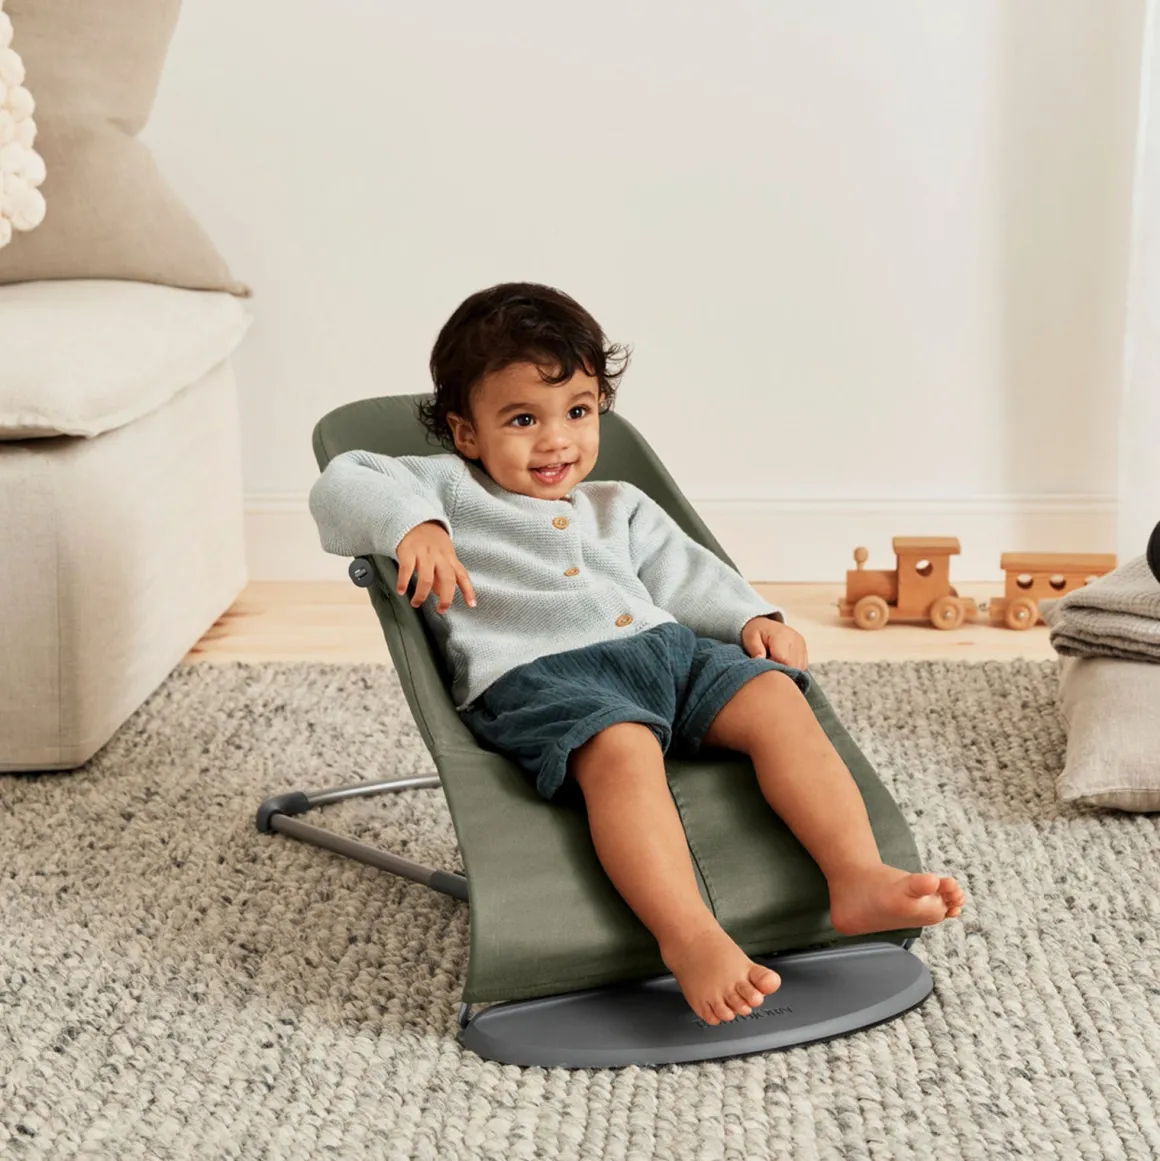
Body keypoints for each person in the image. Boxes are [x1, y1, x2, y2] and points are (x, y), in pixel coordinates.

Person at [308, 281, 965, 1026]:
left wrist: (753, 615)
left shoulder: (616, 502)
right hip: (542, 675)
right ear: (466, 433)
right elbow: (342, 481)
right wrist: (414, 525)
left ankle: (856, 875)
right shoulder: (451, 490)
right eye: (523, 419)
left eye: (578, 412)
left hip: (665, 652)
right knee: (621, 749)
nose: (557, 440)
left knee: (775, 696)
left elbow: (687, 574)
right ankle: (689, 936)